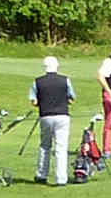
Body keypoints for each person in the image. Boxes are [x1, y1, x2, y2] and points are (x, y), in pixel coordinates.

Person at [31, 55, 77, 185]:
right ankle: (61, 178)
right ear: (57, 66)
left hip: (45, 116)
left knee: (45, 146)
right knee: (61, 148)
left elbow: (34, 101)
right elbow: (72, 97)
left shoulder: (37, 81)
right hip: (62, 115)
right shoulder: (65, 80)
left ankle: (41, 175)